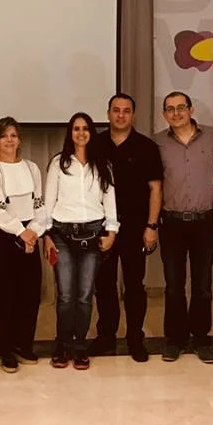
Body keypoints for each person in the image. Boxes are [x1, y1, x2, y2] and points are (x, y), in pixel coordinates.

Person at [154, 91, 213, 364]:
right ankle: (175, 340)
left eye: (181, 107)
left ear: (191, 109)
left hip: (204, 222)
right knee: (173, 285)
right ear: (164, 114)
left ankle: (201, 339)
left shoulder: (212, 137)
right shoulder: (158, 142)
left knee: (203, 285)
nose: (176, 113)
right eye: (170, 109)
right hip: (171, 222)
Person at [43, 113, 119, 370]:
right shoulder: (58, 164)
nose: (81, 133)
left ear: (91, 133)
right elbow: (48, 202)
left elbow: (110, 201)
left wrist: (112, 232)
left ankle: (79, 346)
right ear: (70, 133)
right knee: (66, 295)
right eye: (76, 129)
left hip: (93, 235)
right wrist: (46, 236)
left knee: (85, 296)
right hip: (62, 235)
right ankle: (62, 345)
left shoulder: (102, 164)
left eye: (85, 128)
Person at [92, 93, 163, 362]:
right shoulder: (96, 144)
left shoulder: (146, 147)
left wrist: (151, 226)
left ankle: (135, 337)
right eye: (116, 110)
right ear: (108, 113)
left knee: (134, 285)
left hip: (136, 226)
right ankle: (106, 336)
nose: (120, 115)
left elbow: (155, 189)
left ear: (133, 115)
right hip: (102, 227)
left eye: (126, 111)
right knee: (104, 284)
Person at [0, 117, 48, 373]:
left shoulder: (32, 168)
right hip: (2, 237)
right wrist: (21, 232)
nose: (9, 140)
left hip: (30, 235)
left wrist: (34, 232)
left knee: (29, 295)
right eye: (4, 136)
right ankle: (4, 349)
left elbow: (40, 206)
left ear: (20, 140)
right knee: (4, 297)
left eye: (14, 135)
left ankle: (23, 344)